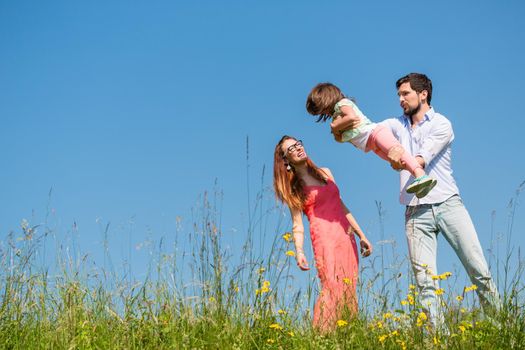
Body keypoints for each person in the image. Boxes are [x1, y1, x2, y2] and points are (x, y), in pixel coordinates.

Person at [333, 73, 501, 328]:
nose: (400, 99)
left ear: (423, 94)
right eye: (398, 95)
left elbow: (421, 159)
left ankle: (503, 328)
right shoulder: (394, 125)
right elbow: (367, 130)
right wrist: (338, 114)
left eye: (405, 94)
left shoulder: (442, 124)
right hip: (414, 211)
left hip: (448, 203)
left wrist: (396, 158)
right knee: (425, 283)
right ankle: (436, 340)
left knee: (477, 268)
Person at [273, 135, 372, 333]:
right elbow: (297, 224)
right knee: (331, 286)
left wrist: (361, 235)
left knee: (348, 288)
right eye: (291, 148)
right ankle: (322, 336)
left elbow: (342, 206)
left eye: (298, 143)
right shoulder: (294, 188)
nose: (298, 148)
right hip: (324, 239)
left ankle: (346, 335)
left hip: (345, 236)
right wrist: (299, 251)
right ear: (286, 160)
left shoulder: (325, 172)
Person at [306, 82, 437, 198]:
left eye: (323, 110)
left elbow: (351, 117)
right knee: (398, 161)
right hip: (370, 145)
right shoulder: (336, 116)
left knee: (397, 152)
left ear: (327, 99)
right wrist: (336, 128)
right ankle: (421, 183)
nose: (326, 114)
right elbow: (339, 138)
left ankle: (420, 174)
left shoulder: (342, 104)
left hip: (375, 133)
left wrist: (335, 127)